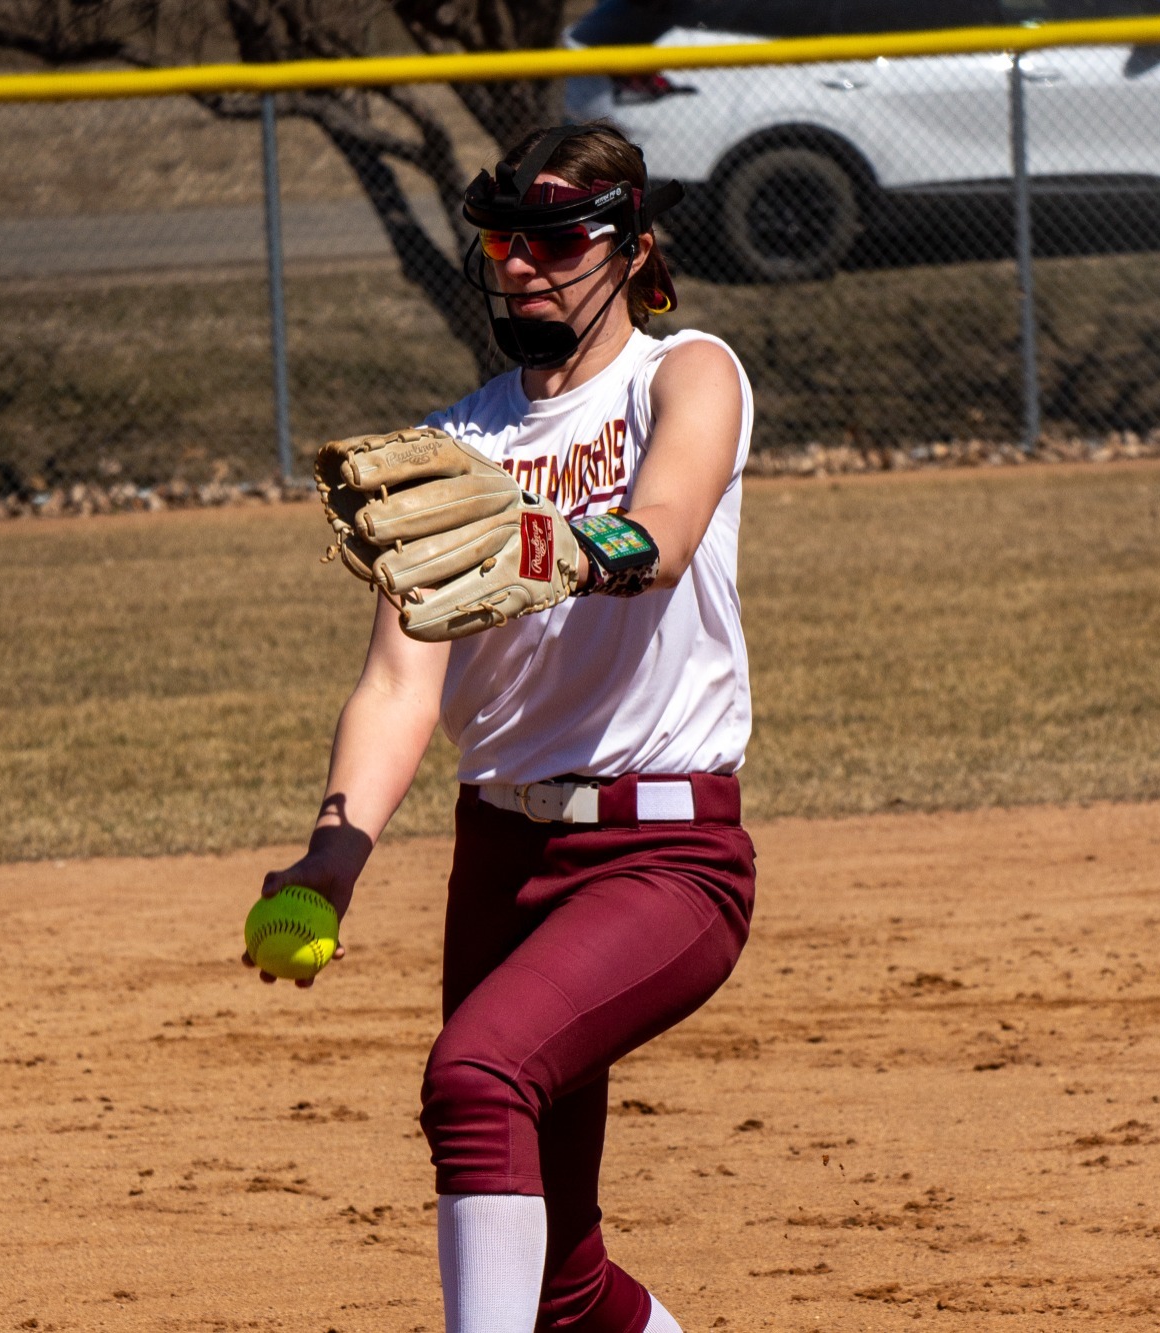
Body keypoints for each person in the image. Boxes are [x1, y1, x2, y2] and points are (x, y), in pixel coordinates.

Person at [259, 122, 756, 1333]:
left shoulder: (682, 374)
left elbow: (661, 535)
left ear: (631, 248)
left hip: (661, 853)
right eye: (504, 240)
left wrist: (557, 541)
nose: (522, 263)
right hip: (500, 858)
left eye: (553, 238)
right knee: (559, 1282)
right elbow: (397, 687)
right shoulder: (453, 448)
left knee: (474, 1079)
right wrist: (332, 858)